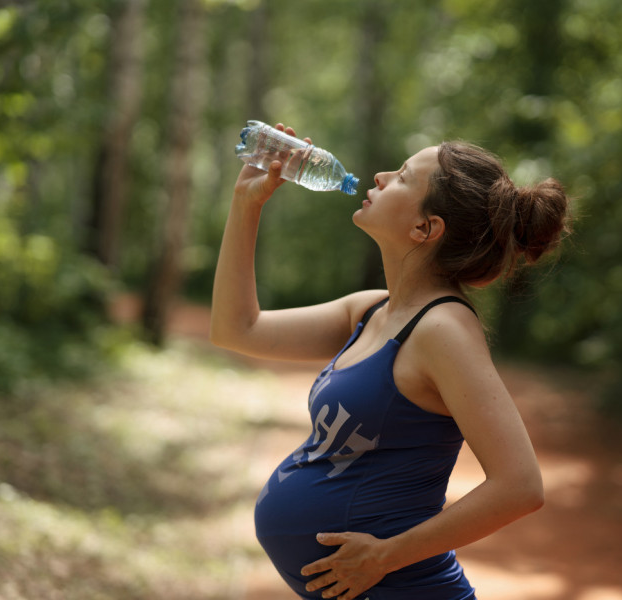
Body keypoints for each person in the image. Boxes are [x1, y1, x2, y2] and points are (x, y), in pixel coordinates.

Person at [210, 123, 569, 600]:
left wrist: (387, 555)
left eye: (401, 177)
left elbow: (521, 485)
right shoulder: (372, 309)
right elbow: (237, 329)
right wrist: (246, 204)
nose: (379, 177)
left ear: (426, 228)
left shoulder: (442, 330)